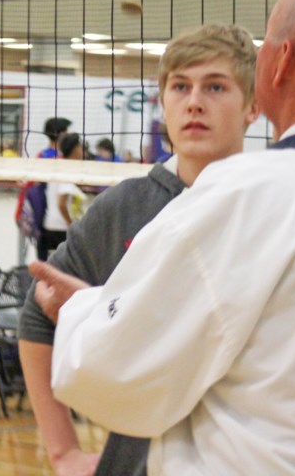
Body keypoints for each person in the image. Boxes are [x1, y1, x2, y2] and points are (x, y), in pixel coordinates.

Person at [32, 0, 295, 474]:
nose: (194, 101)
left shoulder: (237, 196)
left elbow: (116, 376)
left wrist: (81, 308)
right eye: (180, 87)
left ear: (281, 61)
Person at [19, 24, 260, 476]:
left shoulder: (272, 205)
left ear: (252, 105)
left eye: (215, 86)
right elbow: (36, 316)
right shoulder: (124, 207)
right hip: (135, 463)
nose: (194, 101)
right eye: (180, 87)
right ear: (163, 102)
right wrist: (63, 451)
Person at [38, 132, 87, 262]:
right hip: (59, 230)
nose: (82, 151)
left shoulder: (59, 166)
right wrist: (72, 225)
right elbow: (61, 204)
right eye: (81, 147)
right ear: (76, 149)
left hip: (50, 227)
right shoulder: (66, 170)